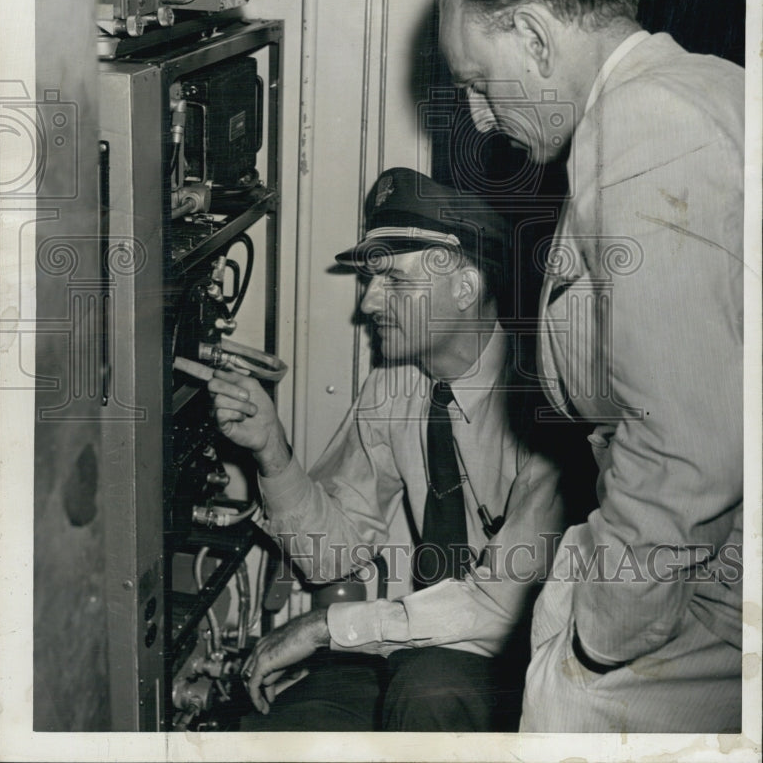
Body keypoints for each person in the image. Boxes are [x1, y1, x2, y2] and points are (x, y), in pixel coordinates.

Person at [438, 0, 744, 733]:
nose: (473, 116)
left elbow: (686, 442)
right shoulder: (706, 85)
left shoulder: (645, 128)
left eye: (476, 78)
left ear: (534, 37)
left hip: (700, 576)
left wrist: (601, 647)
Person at [207, 166, 581, 731]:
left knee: (429, 693)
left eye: (394, 282)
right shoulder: (396, 384)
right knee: (292, 729)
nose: (368, 303)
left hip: (514, 652)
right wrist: (272, 453)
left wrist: (325, 628)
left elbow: (501, 606)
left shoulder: (547, 405)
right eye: (369, 280)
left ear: (465, 286)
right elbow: (335, 558)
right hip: (406, 635)